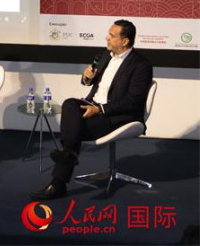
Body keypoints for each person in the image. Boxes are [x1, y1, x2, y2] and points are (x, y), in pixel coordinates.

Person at [30, 19, 153, 200]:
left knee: (75, 129)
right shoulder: (105, 56)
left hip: (117, 115)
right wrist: (87, 78)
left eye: (112, 35)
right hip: (92, 105)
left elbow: (133, 101)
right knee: (69, 104)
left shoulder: (141, 65)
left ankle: (58, 182)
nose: (107, 38)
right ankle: (68, 153)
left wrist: (100, 109)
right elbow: (90, 82)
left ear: (125, 41)